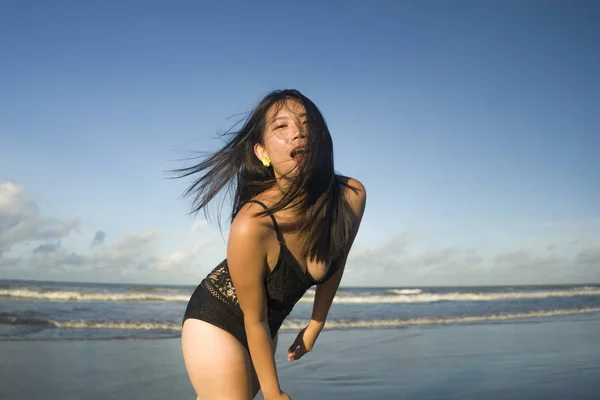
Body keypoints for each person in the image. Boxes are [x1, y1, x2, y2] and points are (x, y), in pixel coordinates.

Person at [177, 89, 366, 400]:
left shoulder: (349, 197)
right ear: (262, 152)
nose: (297, 133)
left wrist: (316, 324)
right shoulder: (254, 223)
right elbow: (255, 318)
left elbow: (337, 261)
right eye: (281, 127)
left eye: (306, 124)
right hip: (217, 319)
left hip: (266, 325)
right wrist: (274, 393)